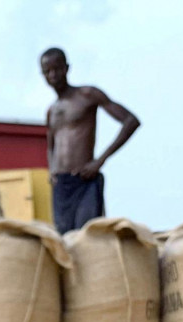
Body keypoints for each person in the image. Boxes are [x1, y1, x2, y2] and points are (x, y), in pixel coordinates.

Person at [40, 47, 140, 235]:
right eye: (47, 71)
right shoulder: (51, 111)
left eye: (57, 69)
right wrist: (52, 169)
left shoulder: (87, 95)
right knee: (64, 242)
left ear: (66, 68)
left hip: (84, 179)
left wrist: (100, 161)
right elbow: (51, 143)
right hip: (61, 185)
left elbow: (130, 121)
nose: (53, 75)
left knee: (89, 238)